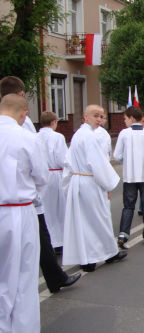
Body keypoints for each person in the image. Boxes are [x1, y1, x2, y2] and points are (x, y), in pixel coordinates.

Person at [0, 76, 81, 295]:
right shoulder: (22, 123)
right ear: (20, 97)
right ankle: (55, 277)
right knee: (30, 250)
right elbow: (35, 165)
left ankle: (55, 277)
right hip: (23, 198)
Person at [0, 94, 48, 333]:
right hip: (19, 211)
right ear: (23, 114)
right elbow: (42, 177)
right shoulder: (27, 138)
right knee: (23, 275)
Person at [63, 104, 127, 272]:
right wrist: (107, 185)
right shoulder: (89, 137)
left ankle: (88, 259)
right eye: (95, 116)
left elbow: (68, 162)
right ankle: (106, 254)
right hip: (90, 182)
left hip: (79, 181)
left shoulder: (78, 135)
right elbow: (97, 165)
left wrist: (68, 183)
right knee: (100, 219)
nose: (99, 120)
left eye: (101, 116)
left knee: (84, 221)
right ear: (85, 117)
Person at [114, 106, 144, 247]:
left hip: (130, 177)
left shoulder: (124, 133)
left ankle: (123, 234)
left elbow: (117, 156)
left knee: (128, 206)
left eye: (125, 118)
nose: (125, 121)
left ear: (132, 118)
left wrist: (127, 160)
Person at [37, 111, 68, 252]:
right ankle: (59, 241)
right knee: (58, 209)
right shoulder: (57, 137)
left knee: (45, 209)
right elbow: (63, 159)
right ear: (54, 122)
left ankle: (47, 240)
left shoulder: (35, 137)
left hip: (40, 177)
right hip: (55, 175)